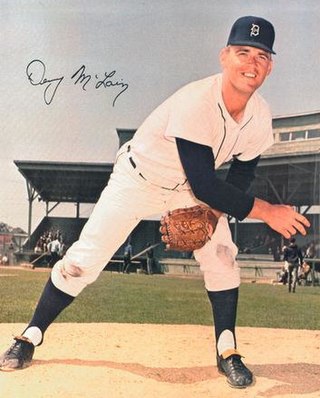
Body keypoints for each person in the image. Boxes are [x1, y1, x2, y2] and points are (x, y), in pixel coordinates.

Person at [0, 16, 310, 389]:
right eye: (243, 52)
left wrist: (212, 216)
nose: (252, 63)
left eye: (261, 56)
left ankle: (227, 350)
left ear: (270, 65)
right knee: (83, 260)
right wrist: (268, 211)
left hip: (187, 190)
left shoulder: (260, 116)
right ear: (225, 56)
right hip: (138, 179)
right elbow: (206, 181)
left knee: (222, 253)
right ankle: (30, 335)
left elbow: (241, 175)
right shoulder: (197, 101)